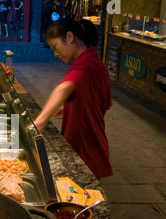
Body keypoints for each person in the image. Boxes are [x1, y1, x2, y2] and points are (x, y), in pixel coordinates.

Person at [33, 18, 113, 179]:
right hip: (92, 146)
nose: (55, 54)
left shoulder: (86, 64)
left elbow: (65, 87)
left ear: (70, 37)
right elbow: (103, 103)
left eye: (55, 47)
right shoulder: (97, 64)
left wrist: (40, 121)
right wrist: (71, 106)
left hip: (84, 150)